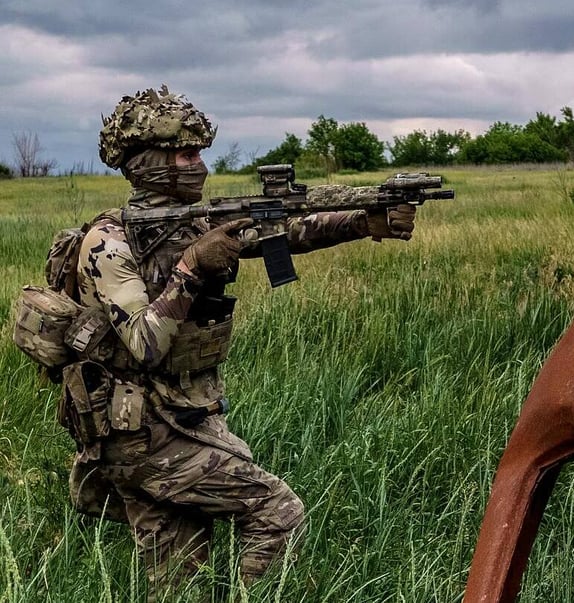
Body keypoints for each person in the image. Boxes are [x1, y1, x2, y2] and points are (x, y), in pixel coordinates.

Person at [64, 85, 416, 599]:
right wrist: (191, 269)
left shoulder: (193, 223)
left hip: (177, 419)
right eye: (186, 153)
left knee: (179, 583)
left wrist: (365, 221)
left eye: (200, 153)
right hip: (137, 434)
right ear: (148, 162)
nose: (199, 165)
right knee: (279, 511)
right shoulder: (107, 243)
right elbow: (143, 343)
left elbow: (288, 232)